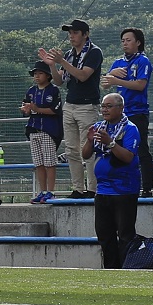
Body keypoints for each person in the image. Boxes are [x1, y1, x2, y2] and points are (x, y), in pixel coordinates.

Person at [42, 20, 104, 198]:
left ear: (85, 34)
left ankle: (92, 189)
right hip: (70, 104)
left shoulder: (94, 52)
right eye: (70, 33)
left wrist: (61, 61)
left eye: (75, 32)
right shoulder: (70, 54)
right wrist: (52, 65)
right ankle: (77, 188)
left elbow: (83, 75)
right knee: (71, 149)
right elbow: (59, 81)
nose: (71, 36)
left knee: (88, 147)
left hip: (87, 105)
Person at [83, 92, 142, 268]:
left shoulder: (130, 129)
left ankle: (124, 269)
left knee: (125, 234)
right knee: (104, 234)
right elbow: (85, 155)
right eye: (103, 106)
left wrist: (111, 142)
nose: (105, 110)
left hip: (124, 190)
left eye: (109, 106)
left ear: (120, 108)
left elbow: (128, 157)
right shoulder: (99, 127)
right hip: (103, 190)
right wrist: (89, 141)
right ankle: (110, 269)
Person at [103, 28, 153, 197]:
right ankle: (120, 185)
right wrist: (111, 74)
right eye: (123, 40)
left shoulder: (143, 61)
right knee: (117, 149)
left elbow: (140, 85)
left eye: (128, 40)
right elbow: (105, 84)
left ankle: (147, 188)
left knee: (141, 149)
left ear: (138, 42)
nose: (125, 43)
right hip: (119, 115)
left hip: (137, 112)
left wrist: (117, 80)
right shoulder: (118, 62)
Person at [20, 61, 62, 201]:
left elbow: (55, 110)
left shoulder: (54, 90)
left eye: (40, 73)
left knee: (50, 162)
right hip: (33, 129)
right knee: (38, 163)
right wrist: (26, 110)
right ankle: (42, 191)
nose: (37, 76)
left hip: (49, 130)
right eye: (35, 74)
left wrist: (37, 109)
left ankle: (51, 191)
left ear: (48, 75)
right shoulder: (31, 91)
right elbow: (26, 109)